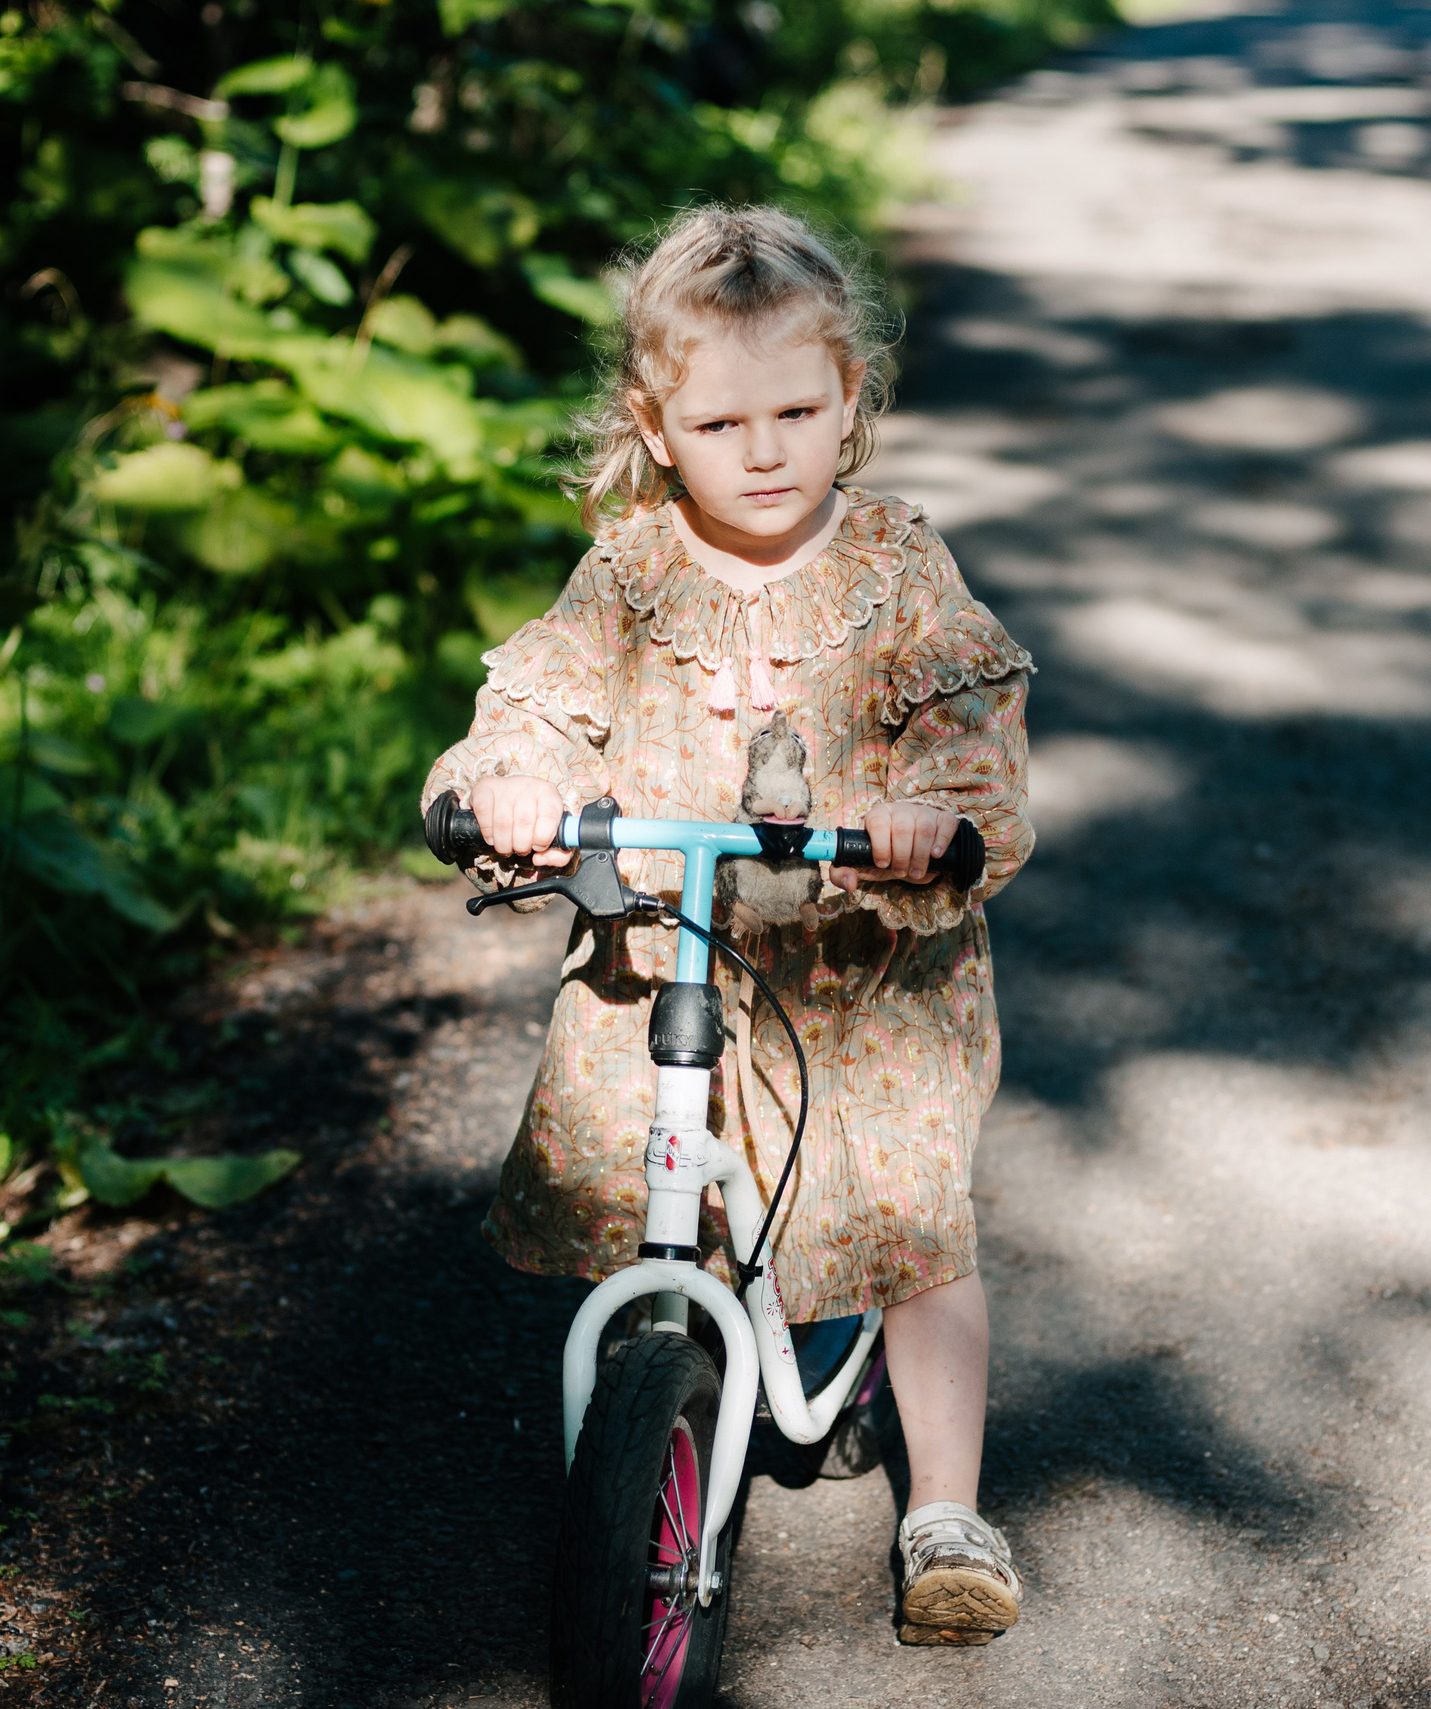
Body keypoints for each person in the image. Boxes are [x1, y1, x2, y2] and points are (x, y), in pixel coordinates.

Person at [422, 204, 1035, 1645]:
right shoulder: (632, 576)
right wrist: (508, 783)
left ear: (850, 402)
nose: (763, 452)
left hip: (862, 978)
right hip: (670, 954)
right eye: (719, 421)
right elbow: (541, 703)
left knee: (913, 1235)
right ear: (655, 420)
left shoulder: (893, 570)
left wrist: (926, 813)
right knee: (662, 1201)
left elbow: (973, 727)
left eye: (797, 411)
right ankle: (647, 1445)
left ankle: (946, 1508)